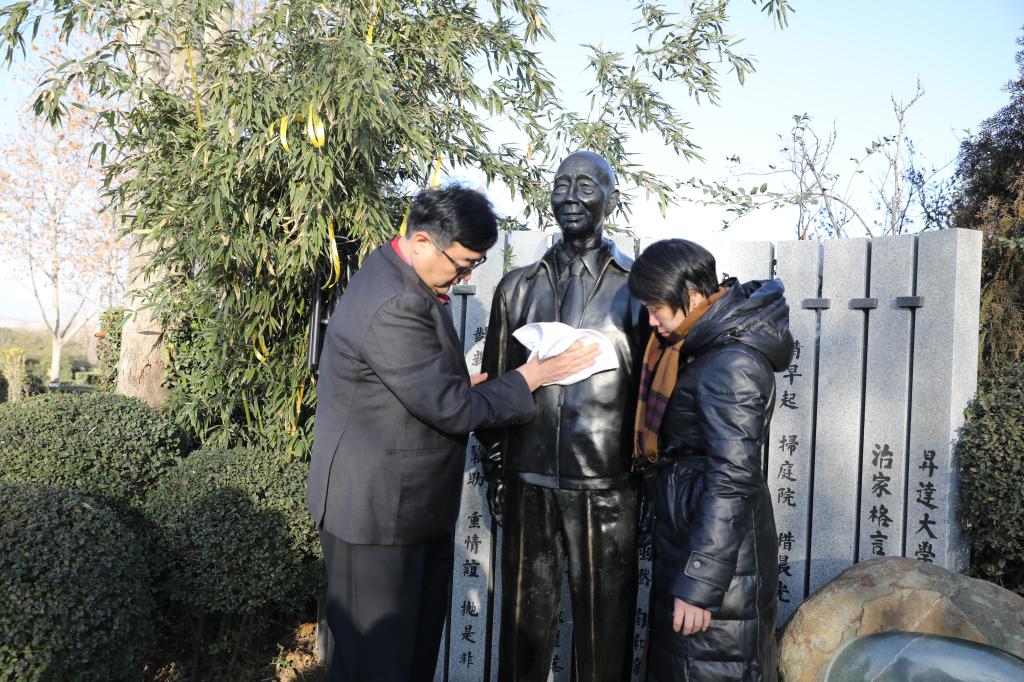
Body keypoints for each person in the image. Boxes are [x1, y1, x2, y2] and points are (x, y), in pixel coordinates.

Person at [306, 186, 600, 682]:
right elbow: (452, 410)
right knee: (376, 664)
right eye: (462, 265)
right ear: (423, 241)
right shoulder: (395, 301)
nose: (465, 277)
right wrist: (532, 376)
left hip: (407, 508)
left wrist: (459, 385)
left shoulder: (401, 273)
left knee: (409, 655)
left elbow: (420, 386)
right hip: (375, 517)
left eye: (474, 265)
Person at [478, 150, 648, 682]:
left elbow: (653, 398)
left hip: (608, 487)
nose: (570, 197)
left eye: (585, 186)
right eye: (561, 184)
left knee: (605, 636)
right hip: (528, 481)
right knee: (522, 631)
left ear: (610, 200)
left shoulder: (638, 290)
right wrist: (498, 472)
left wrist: (648, 484)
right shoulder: (517, 287)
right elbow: (496, 386)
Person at [628, 239, 792, 682]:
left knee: (705, 668)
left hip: (720, 564)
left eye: (656, 309)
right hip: (699, 540)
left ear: (695, 297)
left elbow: (733, 474)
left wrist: (700, 584)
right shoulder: (701, 346)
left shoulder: (731, 361)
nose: (651, 321)